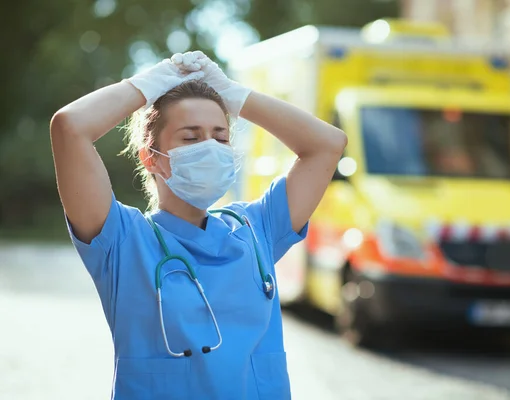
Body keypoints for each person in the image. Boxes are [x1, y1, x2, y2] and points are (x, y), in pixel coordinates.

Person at [49, 50, 347, 399]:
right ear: (152, 158)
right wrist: (148, 84)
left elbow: (328, 145)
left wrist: (234, 95)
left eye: (220, 137)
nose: (210, 148)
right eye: (191, 137)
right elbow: (70, 128)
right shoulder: (122, 241)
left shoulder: (255, 228)